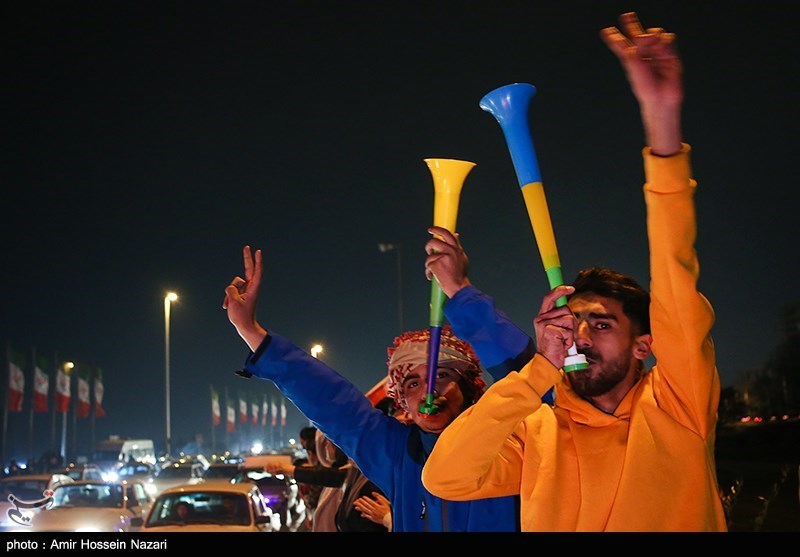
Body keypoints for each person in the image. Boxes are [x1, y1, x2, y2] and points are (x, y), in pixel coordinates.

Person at [420, 12, 727, 532]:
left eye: (602, 323)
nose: (579, 334)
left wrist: (662, 125)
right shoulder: (538, 429)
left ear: (643, 345)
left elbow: (675, 279)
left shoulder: (678, 404)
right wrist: (540, 367)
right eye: (574, 321)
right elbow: (445, 478)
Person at [223, 258, 520, 531]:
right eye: (412, 384)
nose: (429, 391)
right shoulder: (400, 455)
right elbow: (334, 403)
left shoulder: (513, 441)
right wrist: (250, 331)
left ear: (469, 386)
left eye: (442, 375)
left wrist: (460, 290)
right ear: (402, 401)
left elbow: (527, 378)